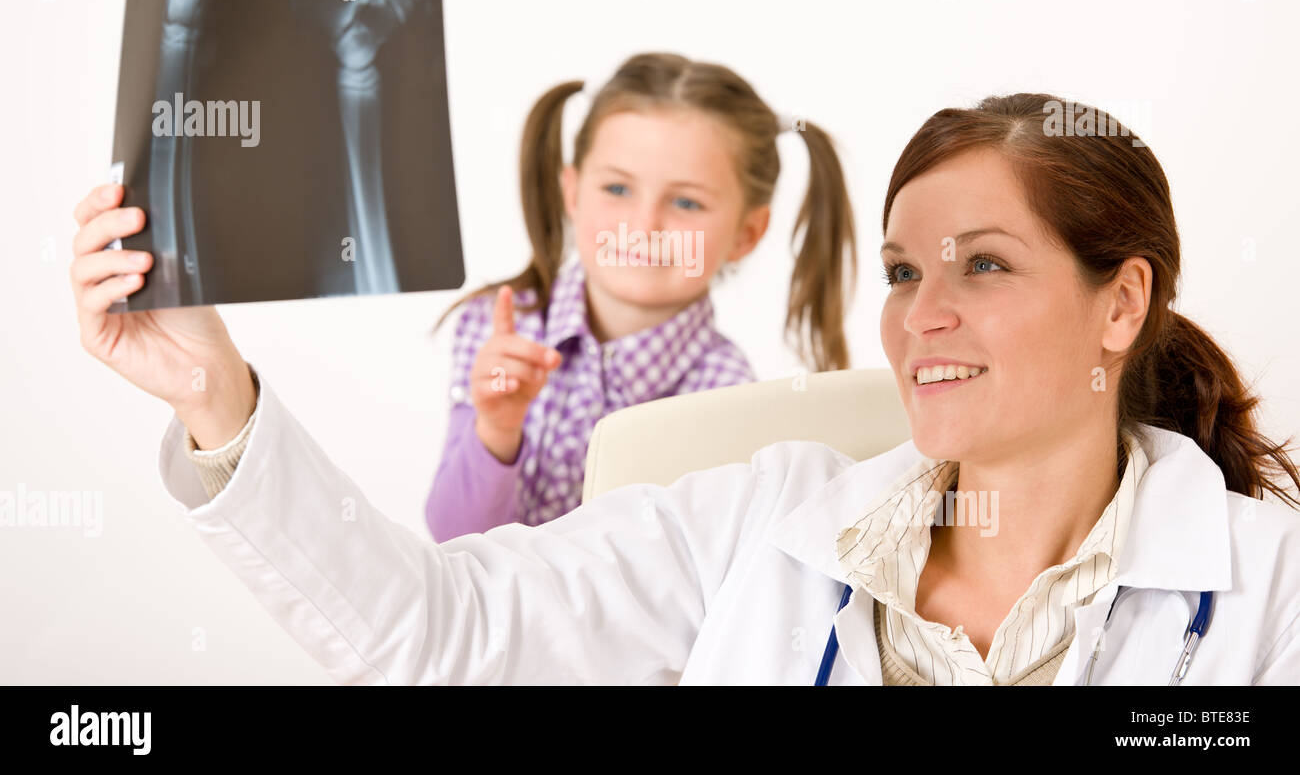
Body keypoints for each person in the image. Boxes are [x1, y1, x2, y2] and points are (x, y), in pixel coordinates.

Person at [70, 93, 1300, 684]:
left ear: (1121, 302)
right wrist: (214, 397)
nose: (923, 312)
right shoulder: (759, 525)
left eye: (984, 264)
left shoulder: (1267, 594)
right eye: (903, 268)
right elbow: (433, 627)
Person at [424, 53, 858, 538]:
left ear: (746, 233)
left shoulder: (726, 397)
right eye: (617, 188)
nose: (644, 226)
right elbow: (452, 538)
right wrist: (496, 430)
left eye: (686, 201)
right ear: (572, 192)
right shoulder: (497, 330)